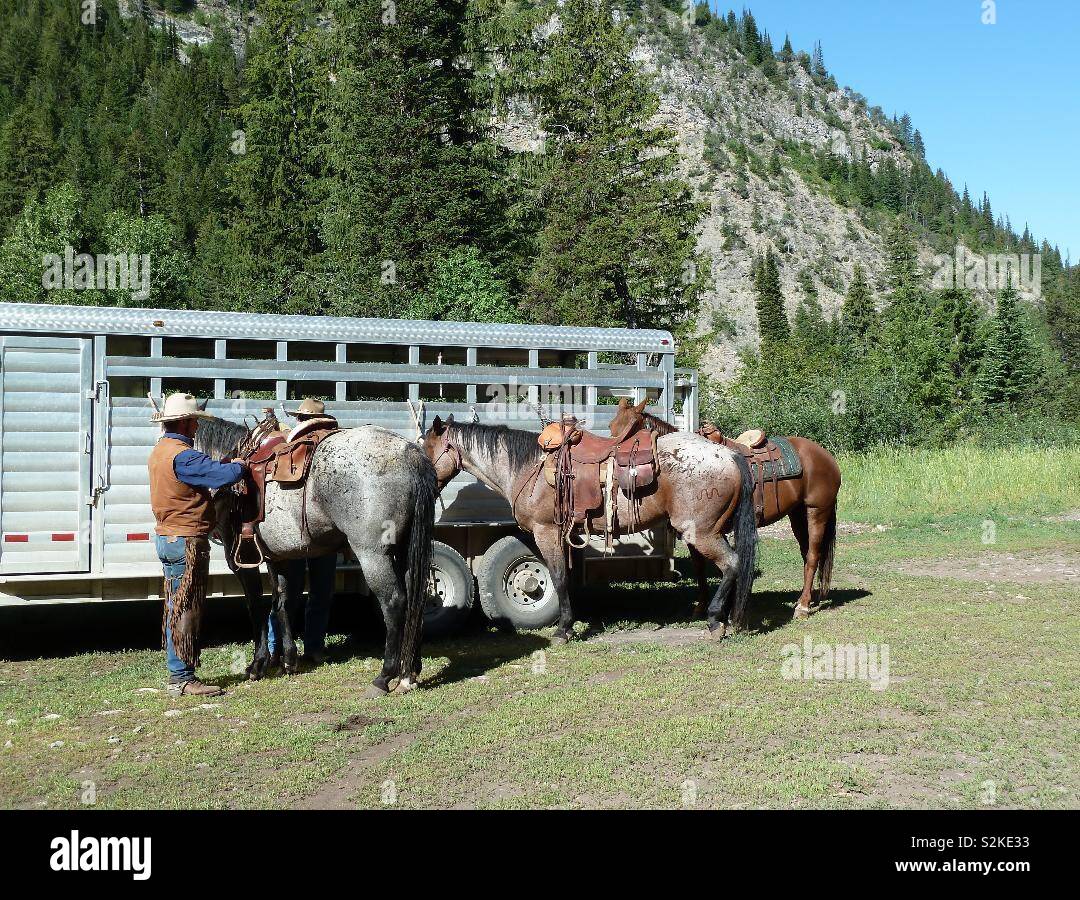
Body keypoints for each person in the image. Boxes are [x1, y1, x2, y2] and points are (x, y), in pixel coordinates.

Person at [148, 393, 247, 697]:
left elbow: (205, 472)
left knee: (175, 604)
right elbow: (221, 475)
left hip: (169, 537)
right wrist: (241, 465)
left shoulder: (161, 451)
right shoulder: (184, 455)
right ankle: (182, 677)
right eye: (194, 422)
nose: (197, 428)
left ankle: (179, 672)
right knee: (186, 607)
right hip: (187, 540)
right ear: (186, 422)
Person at [267, 398, 339, 666]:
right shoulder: (329, 449)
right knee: (317, 593)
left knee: (287, 594)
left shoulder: (284, 448)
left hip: (293, 533)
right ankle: (312, 647)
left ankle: (280, 648)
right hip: (322, 533)